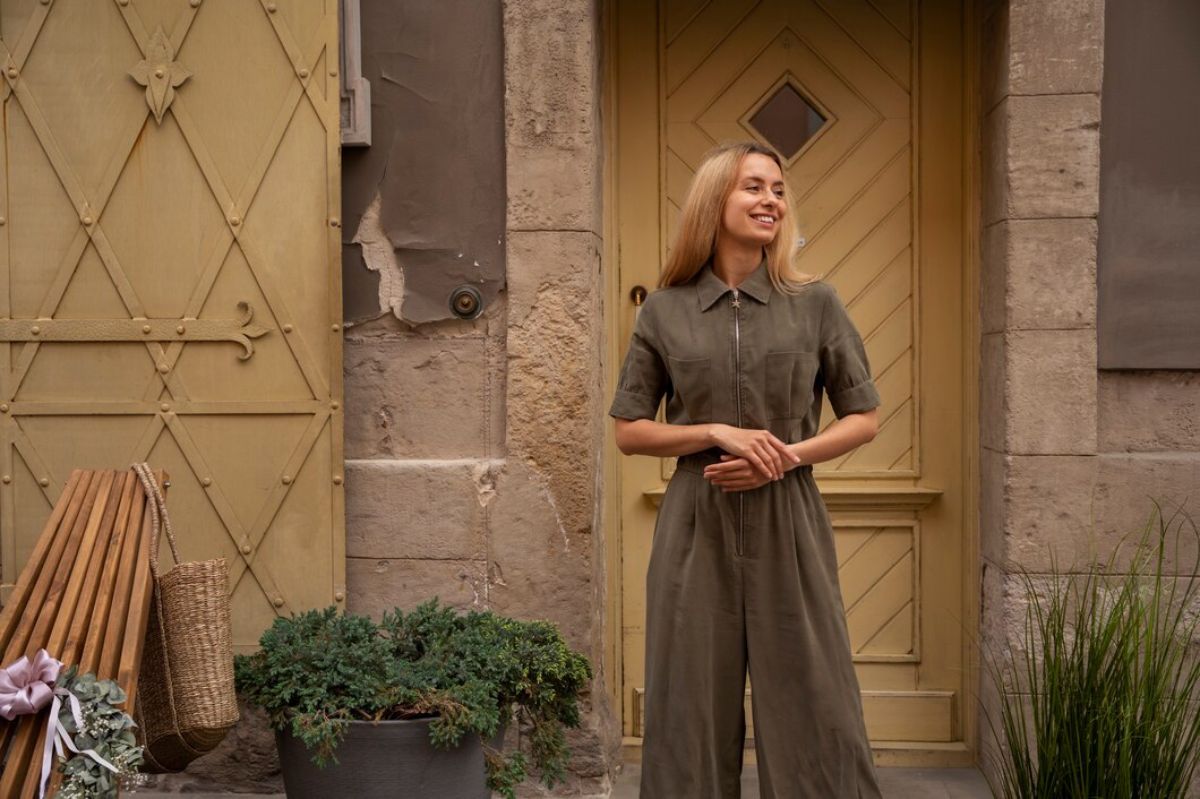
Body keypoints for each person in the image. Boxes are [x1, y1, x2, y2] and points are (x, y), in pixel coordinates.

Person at [610, 141, 884, 798]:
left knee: (815, 698)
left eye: (778, 190)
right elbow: (628, 430)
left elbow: (863, 416)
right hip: (694, 520)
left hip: (789, 516)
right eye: (754, 187)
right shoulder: (665, 309)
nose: (771, 201)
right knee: (689, 702)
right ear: (715, 201)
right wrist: (712, 432)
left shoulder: (815, 302)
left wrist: (782, 457)